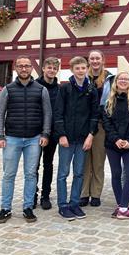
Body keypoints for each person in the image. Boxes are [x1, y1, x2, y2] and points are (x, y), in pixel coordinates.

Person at [0, 56, 52, 224]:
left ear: (31, 68)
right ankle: (5, 208)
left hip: (34, 139)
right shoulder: (8, 89)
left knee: (30, 174)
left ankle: (28, 207)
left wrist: (45, 134)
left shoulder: (41, 89)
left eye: (27, 66)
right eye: (21, 66)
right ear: (16, 69)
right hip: (12, 138)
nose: (24, 69)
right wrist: (0, 135)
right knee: (9, 174)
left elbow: (47, 114)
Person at [54, 56, 99, 220]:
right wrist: (61, 134)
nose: (80, 71)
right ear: (72, 70)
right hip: (67, 138)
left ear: (87, 69)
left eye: (83, 68)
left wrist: (90, 135)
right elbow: (58, 113)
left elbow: (95, 115)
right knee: (63, 173)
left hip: (82, 138)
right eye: (77, 68)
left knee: (79, 173)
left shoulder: (91, 90)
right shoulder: (65, 89)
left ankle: (74, 203)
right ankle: (63, 205)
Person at [102, 72, 129, 220]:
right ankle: (123, 207)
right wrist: (116, 139)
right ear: (116, 82)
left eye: (126, 79)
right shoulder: (109, 101)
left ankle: (122, 208)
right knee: (116, 173)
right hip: (112, 144)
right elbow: (106, 123)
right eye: (121, 79)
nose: (124, 81)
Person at [80, 49, 113, 207]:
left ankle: (96, 193)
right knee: (85, 161)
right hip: (84, 124)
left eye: (97, 58)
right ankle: (84, 193)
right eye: (92, 58)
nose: (94, 61)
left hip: (101, 124)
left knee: (98, 161)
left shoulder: (109, 78)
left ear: (102, 60)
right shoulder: (83, 77)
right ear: (89, 61)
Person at [35, 57, 60, 210]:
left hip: (52, 133)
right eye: (49, 67)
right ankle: (32, 195)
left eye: (54, 68)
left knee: (48, 164)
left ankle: (45, 195)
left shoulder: (59, 88)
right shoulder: (35, 86)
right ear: (43, 69)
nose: (51, 70)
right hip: (36, 132)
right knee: (33, 166)